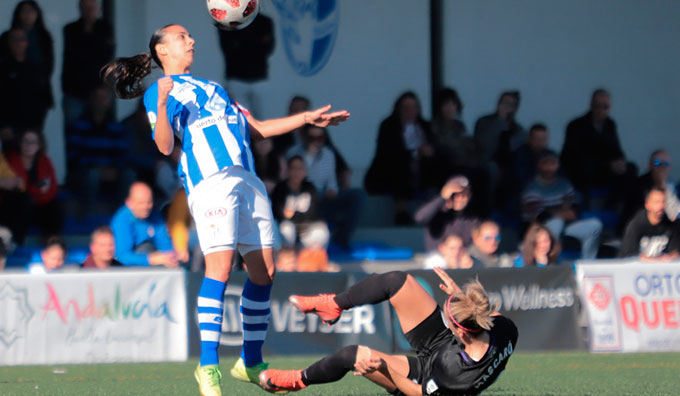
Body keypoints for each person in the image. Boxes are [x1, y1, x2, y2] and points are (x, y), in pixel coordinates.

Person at [101, 23, 349, 396]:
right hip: (211, 182)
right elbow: (165, 147)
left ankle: (249, 363)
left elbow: (258, 128)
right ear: (163, 50)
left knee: (265, 272)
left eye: (189, 36)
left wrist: (306, 119)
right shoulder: (159, 91)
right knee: (219, 269)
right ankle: (208, 368)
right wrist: (165, 103)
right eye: (183, 37)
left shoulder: (216, 88)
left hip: (248, 180)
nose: (192, 40)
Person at [259, 268, 518, 395]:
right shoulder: (505, 329)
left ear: (461, 332)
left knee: (351, 355)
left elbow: (417, 394)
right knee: (397, 282)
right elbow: (485, 314)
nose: (444, 315)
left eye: (449, 317)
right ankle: (333, 305)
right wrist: (461, 297)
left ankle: (298, 379)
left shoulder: (455, 375)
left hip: (427, 378)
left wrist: (385, 368)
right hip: (445, 347)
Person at [364, 91, 436, 224]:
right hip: (390, 171)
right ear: (398, 109)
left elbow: (434, 146)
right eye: (405, 108)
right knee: (401, 164)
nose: (410, 111)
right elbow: (388, 153)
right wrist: (415, 153)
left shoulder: (424, 125)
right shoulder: (388, 125)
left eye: (413, 107)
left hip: (422, 169)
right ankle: (401, 211)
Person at [560, 89, 636, 209]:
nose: (601, 110)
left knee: (631, 169)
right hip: (583, 171)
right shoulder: (576, 126)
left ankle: (615, 204)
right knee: (585, 168)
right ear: (591, 106)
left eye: (605, 106)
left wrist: (620, 163)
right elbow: (576, 157)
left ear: (609, 108)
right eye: (597, 106)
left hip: (603, 171)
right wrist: (608, 165)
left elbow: (617, 150)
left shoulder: (610, 125)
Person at [521, 149, 602, 259]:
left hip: (566, 226)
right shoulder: (532, 188)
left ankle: (587, 264)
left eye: (553, 163)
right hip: (539, 229)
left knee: (595, 225)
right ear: (539, 165)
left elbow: (574, 212)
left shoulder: (564, 184)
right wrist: (562, 211)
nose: (550, 167)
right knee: (556, 222)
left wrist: (553, 211)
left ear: (558, 165)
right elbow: (541, 216)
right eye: (546, 163)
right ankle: (553, 262)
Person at [66, 85, 135, 212]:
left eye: (105, 98)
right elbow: (74, 156)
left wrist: (114, 169)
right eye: (98, 97)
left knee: (129, 174)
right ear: (91, 100)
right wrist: (96, 168)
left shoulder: (116, 128)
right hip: (86, 173)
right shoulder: (79, 126)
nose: (101, 101)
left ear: (109, 102)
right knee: (93, 175)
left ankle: (123, 214)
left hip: (111, 172)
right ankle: (88, 215)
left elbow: (122, 155)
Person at [0, 0, 53, 129]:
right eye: (24, 11)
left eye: (31, 11)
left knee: (32, 140)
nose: (27, 15)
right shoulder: (6, 38)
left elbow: (49, 66)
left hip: (36, 93)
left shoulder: (44, 37)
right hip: (11, 94)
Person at [61, 0, 115, 129]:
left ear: (98, 10)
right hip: (75, 89)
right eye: (86, 8)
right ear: (80, 9)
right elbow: (75, 56)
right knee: (74, 128)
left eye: (92, 8)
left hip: (99, 87)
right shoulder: (71, 29)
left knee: (102, 127)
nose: (89, 12)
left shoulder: (105, 29)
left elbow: (106, 55)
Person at [6, 128, 63, 243]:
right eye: (25, 141)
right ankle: (16, 243)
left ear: (39, 145)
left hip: (38, 205)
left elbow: (52, 189)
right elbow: (20, 189)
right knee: (25, 200)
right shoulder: (11, 160)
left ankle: (52, 243)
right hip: (16, 207)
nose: (28, 145)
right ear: (19, 143)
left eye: (33, 142)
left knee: (55, 207)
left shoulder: (45, 161)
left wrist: (40, 192)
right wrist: (39, 190)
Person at [217, 12, 274, 117]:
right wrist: (255, 42)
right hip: (236, 79)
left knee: (264, 120)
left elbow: (268, 48)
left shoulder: (264, 21)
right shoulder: (227, 22)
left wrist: (243, 43)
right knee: (237, 119)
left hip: (259, 77)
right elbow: (228, 48)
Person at [110, 181, 178, 267]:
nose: (146, 207)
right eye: (141, 203)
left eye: (149, 202)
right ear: (129, 203)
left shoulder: (155, 216)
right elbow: (122, 256)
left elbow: (166, 245)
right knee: (144, 249)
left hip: (153, 259)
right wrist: (151, 259)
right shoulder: (122, 221)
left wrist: (170, 258)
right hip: (128, 268)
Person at [271, 155, 329, 250]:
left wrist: (293, 214)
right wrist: (292, 216)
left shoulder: (310, 188)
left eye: (300, 168)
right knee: (286, 228)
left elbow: (314, 214)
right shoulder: (280, 189)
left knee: (322, 231)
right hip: (286, 233)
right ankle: (287, 256)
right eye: (294, 168)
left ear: (305, 171)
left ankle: (306, 256)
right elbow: (279, 214)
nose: (297, 172)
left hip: (306, 230)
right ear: (288, 170)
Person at [414, 176, 480, 251]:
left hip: (461, 258)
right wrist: (442, 198)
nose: (460, 198)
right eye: (455, 195)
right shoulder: (437, 212)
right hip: (437, 258)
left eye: (464, 195)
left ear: (469, 196)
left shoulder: (472, 219)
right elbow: (419, 218)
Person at [621, 149, 680, 231]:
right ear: (650, 165)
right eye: (657, 163)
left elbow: (676, 213)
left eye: (665, 164)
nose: (661, 167)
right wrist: (661, 185)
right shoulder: (639, 185)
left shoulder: (671, 184)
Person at [619, 187, 679, 261]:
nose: (661, 206)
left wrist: (669, 257)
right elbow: (629, 255)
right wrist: (656, 260)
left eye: (663, 202)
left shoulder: (670, 225)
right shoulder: (636, 225)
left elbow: (675, 252)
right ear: (647, 205)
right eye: (656, 202)